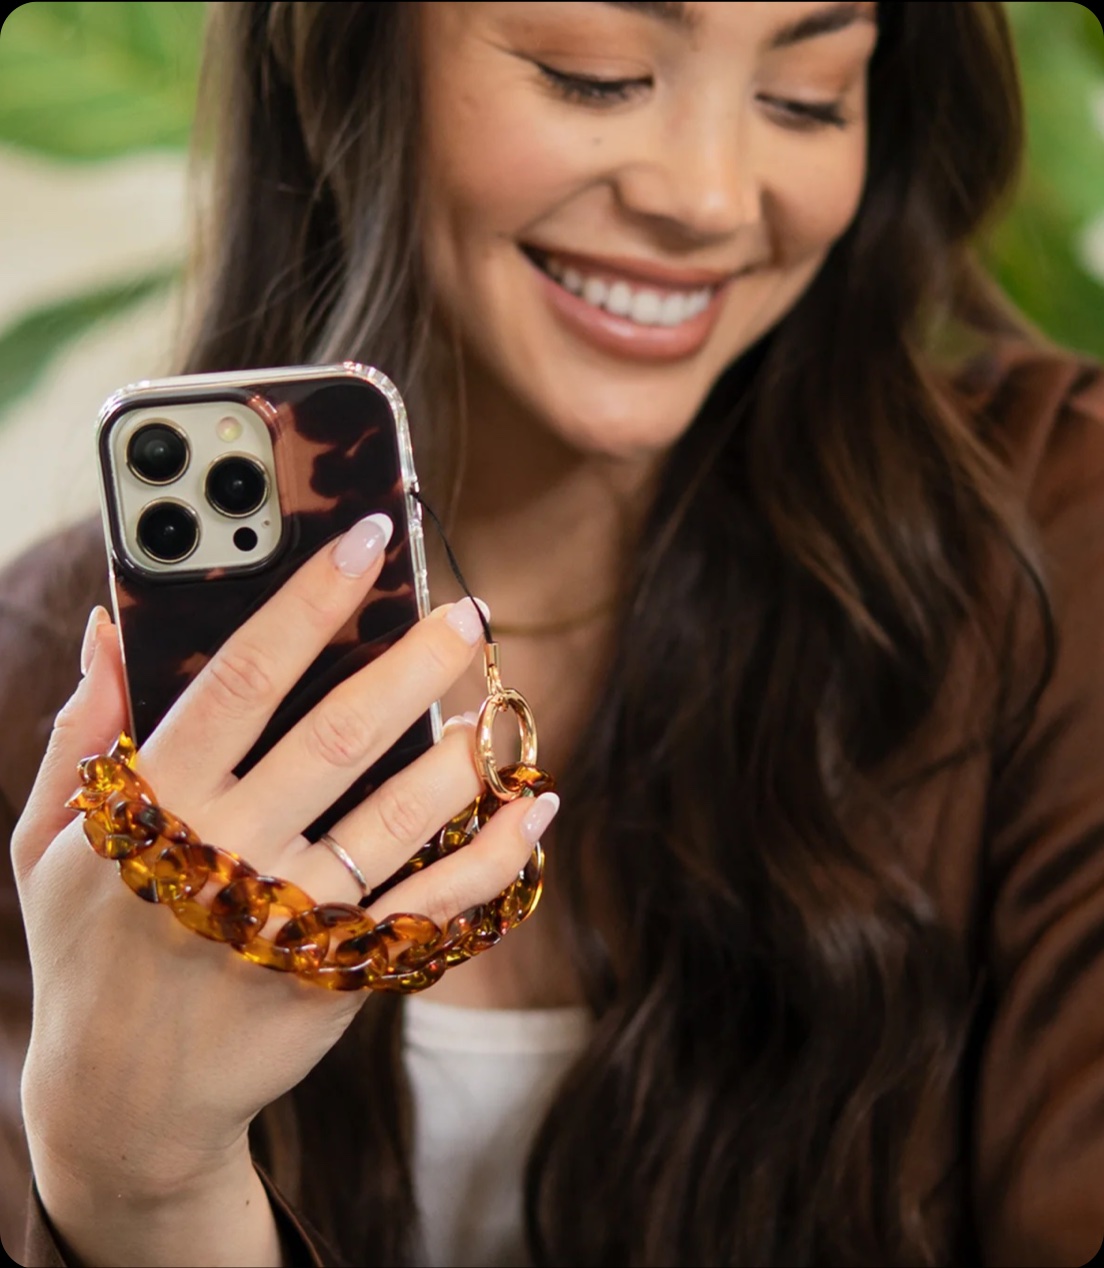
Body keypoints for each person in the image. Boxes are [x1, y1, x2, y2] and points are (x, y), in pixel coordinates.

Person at [1, 2, 1103, 1264]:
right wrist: (138, 1186)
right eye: (597, 78)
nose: (709, 196)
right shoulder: (56, 698)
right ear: (344, 56)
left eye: (806, 99)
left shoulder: (1055, 546)